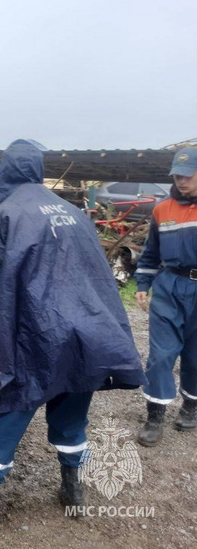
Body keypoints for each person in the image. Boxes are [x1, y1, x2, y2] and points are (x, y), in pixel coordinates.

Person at [0, 139, 146, 537]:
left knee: (10, 405)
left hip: (36, 333)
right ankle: (73, 492)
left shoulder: (6, 214)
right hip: (87, 331)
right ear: (38, 170)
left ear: (7, 170)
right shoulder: (75, 212)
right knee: (73, 408)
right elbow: (96, 276)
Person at [134, 147, 197, 446]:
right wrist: (143, 284)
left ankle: (191, 405)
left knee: (195, 356)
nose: (181, 181)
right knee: (160, 355)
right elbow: (151, 253)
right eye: (177, 176)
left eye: (187, 175)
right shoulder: (163, 209)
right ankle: (155, 415)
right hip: (170, 286)